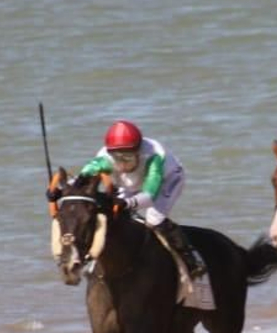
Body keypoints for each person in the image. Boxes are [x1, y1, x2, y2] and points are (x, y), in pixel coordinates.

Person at [78, 120, 207, 280]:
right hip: (132, 183)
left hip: (167, 180)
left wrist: (127, 203)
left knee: (154, 219)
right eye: (117, 157)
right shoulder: (103, 158)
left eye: (128, 156)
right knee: (111, 216)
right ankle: (94, 261)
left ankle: (192, 260)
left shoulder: (154, 156)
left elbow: (149, 195)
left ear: (138, 150)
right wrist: (63, 190)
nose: (123, 162)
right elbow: (82, 177)